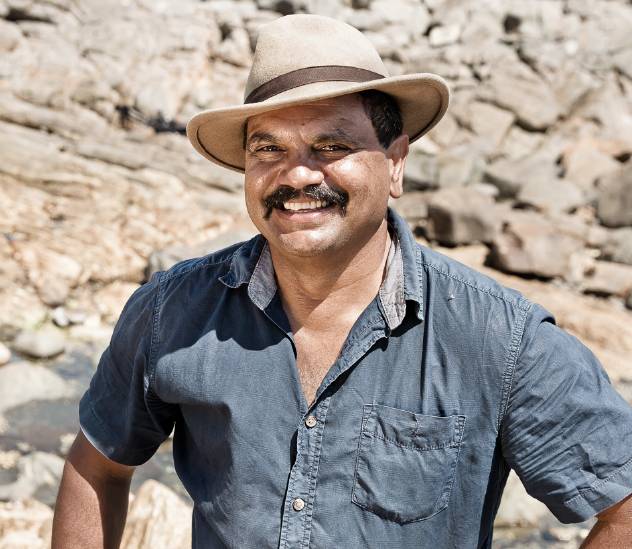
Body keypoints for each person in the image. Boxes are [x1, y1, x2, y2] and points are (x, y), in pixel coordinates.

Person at [52, 14, 632, 549]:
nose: (298, 174)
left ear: (396, 162)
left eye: (332, 146)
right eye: (268, 149)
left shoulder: (499, 339)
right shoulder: (173, 311)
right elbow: (96, 465)